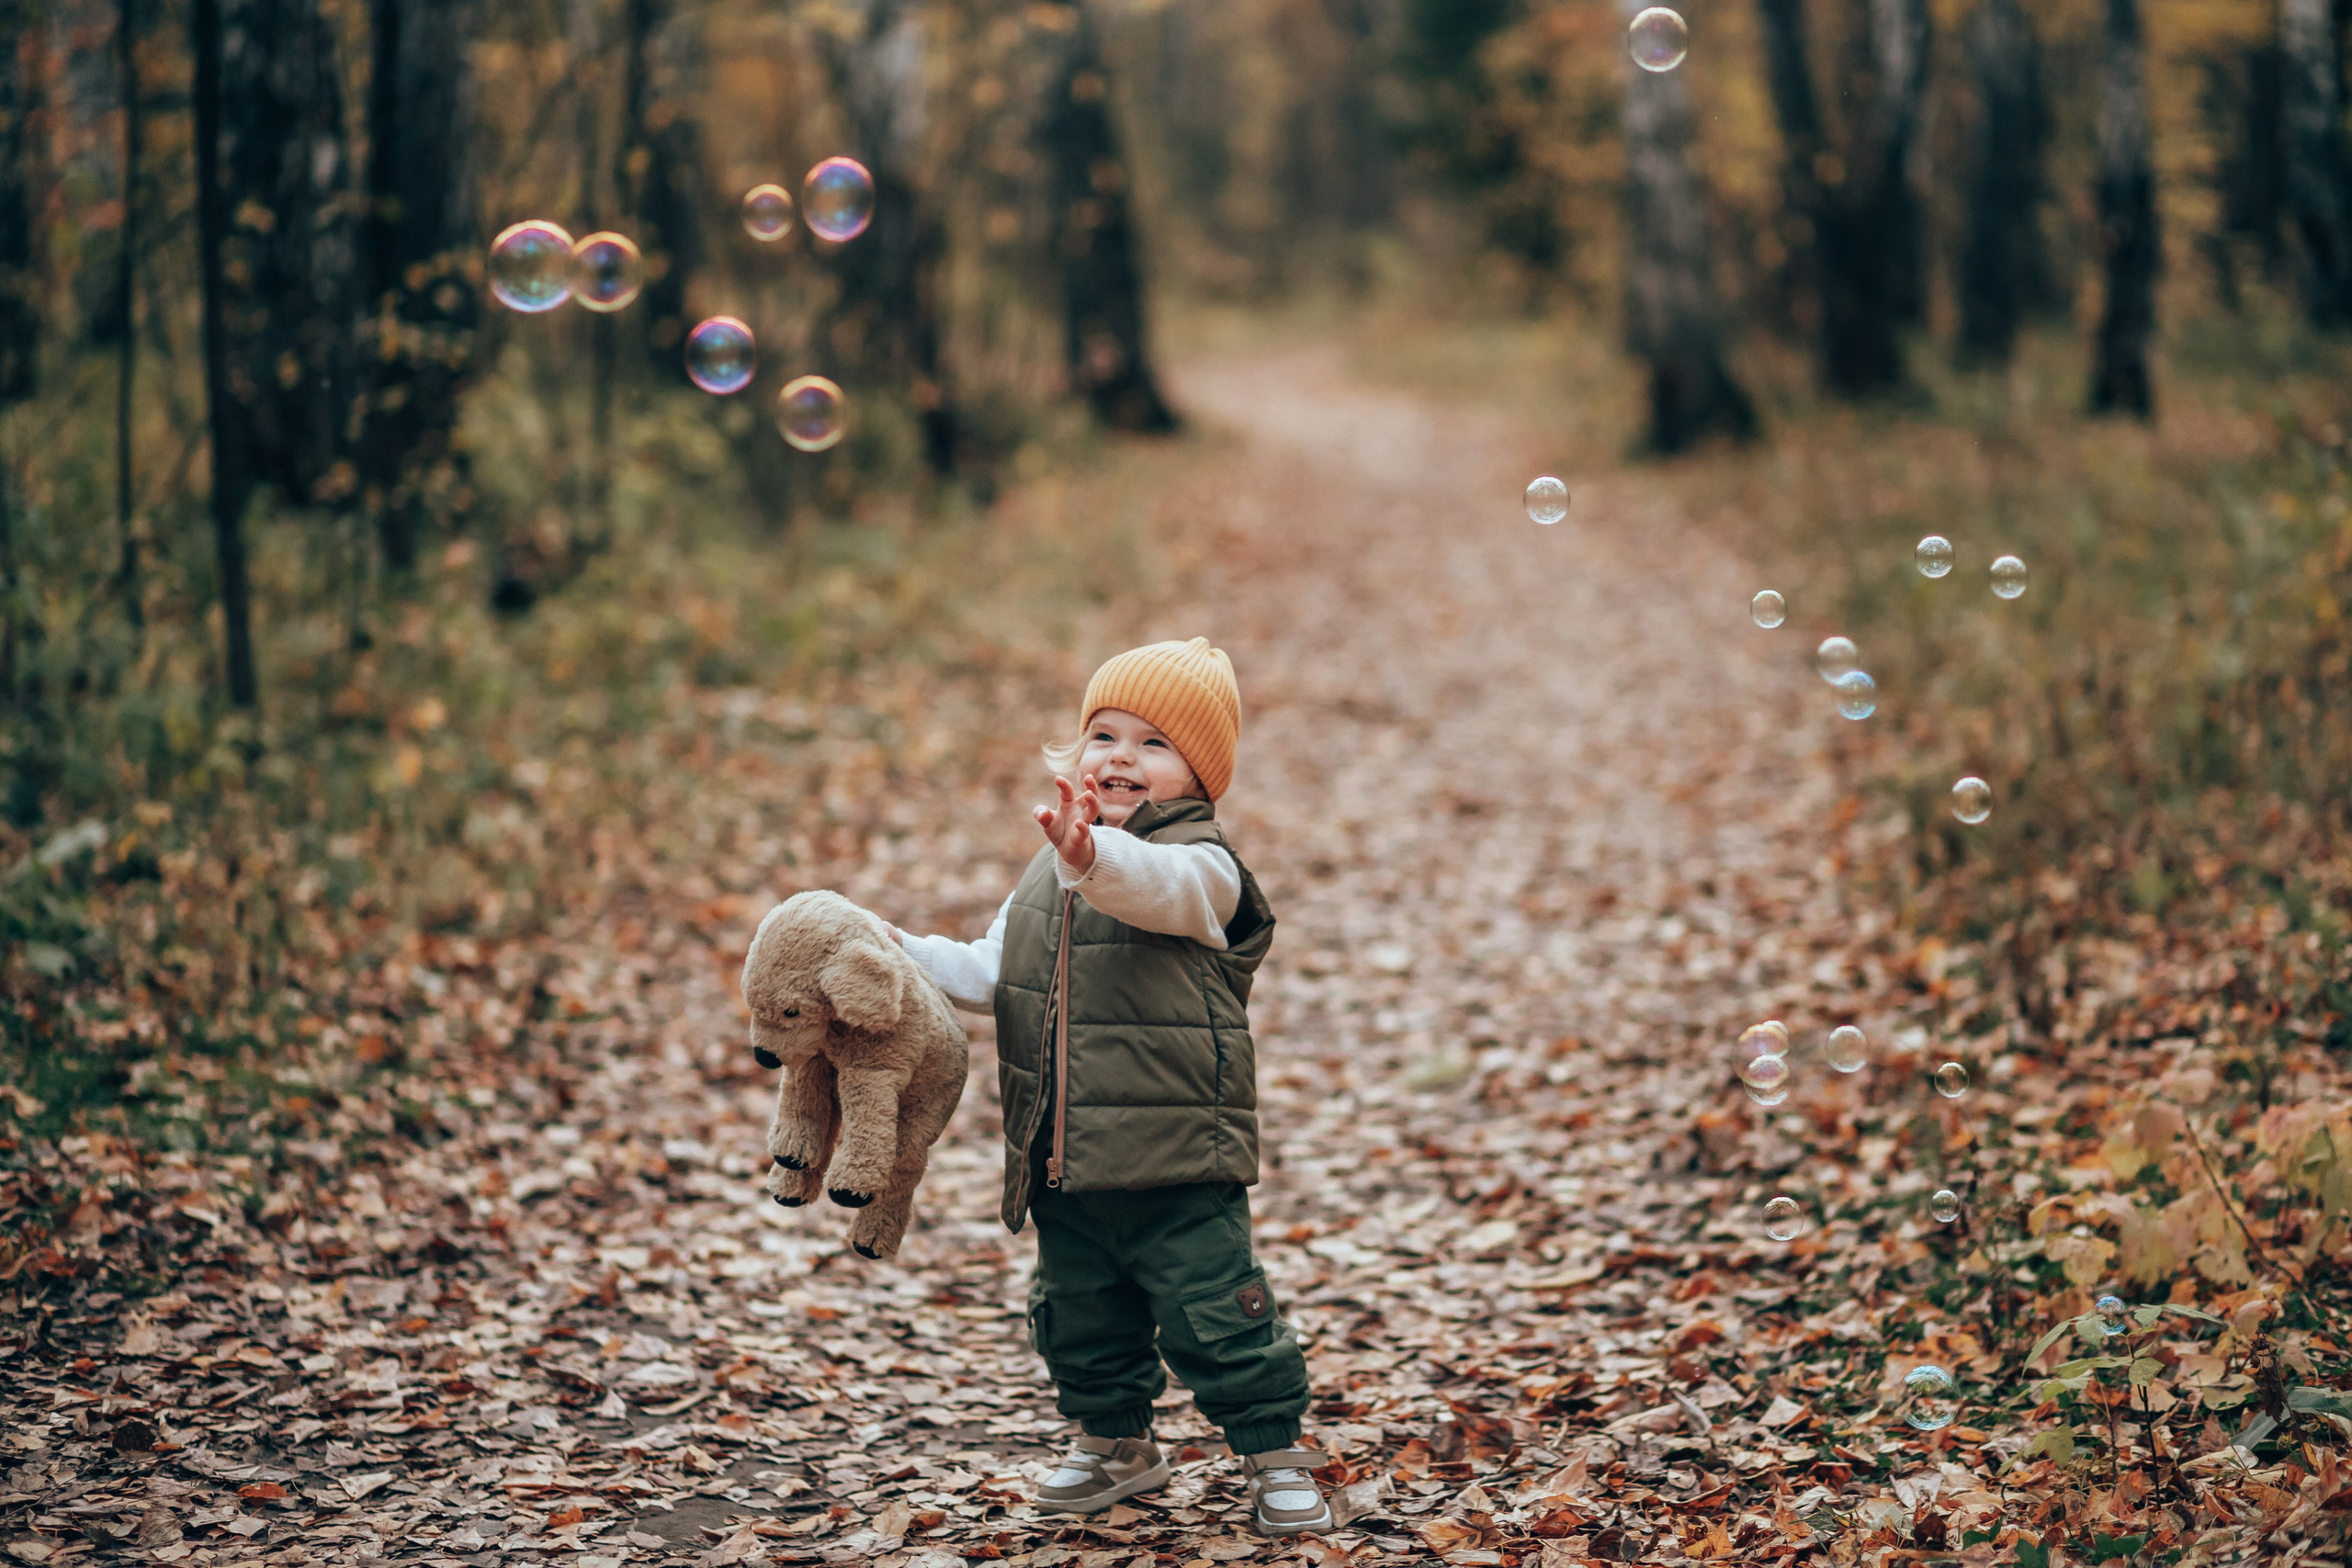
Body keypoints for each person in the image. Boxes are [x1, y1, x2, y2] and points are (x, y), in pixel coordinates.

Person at [891, 637, 1331, 1537]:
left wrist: (1087, 858)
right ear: (1076, 753)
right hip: (1065, 1155)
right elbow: (991, 971)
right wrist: (886, 952)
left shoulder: (1205, 871)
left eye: (1155, 743)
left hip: (1177, 1160)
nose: (1122, 756)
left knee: (1218, 1314)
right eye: (1104, 734)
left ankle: (1274, 1450)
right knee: (1081, 1317)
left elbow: (1148, 887)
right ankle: (1114, 1442)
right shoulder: (1048, 872)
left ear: (1200, 776)